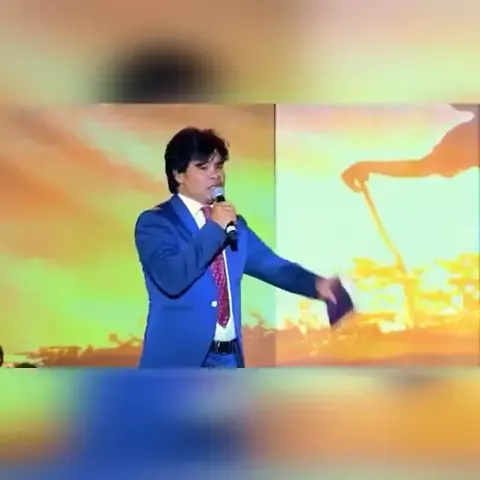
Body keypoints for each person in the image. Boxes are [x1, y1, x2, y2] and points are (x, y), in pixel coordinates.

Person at [135, 127, 342, 368]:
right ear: (178, 174)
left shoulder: (234, 224)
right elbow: (172, 278)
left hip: (228, 359)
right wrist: (215, 227)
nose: (215, 175)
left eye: (219, 166)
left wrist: (316, 284)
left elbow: (272, 266)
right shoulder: (157, 222)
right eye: (203, 167)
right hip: (178, 364)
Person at [341, 104, 478, 191]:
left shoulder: (468, 137)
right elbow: (423, 167)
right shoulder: (467, 138)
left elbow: (423, 168)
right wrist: (366, 166)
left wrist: (366, 167)